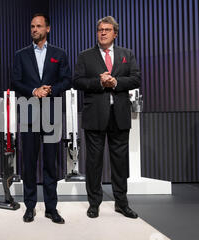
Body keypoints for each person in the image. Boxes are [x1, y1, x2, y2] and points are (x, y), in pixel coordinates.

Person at [73, 16, 141, 219]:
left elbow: (136, 78)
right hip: (95, 115)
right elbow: (77, 81)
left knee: (120, 162)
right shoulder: (85, 56)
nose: (102, 32)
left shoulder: (126, 54)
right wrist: (100, 83)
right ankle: (94, 204)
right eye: (100, 29)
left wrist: (116, 82)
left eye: (107, 29)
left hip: (119, 115)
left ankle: (122, 203)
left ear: (115, 33)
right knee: (94, 163)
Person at [11, 13, 72, 224]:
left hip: (52, 113)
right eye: (32, 26)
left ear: (48, 29)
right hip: (28, 113)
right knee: (28, 162)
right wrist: (34, 90)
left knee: (50, 163)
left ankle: (51, 208)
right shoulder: (21, 54)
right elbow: (16, 81)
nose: (34, 29)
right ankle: (29, 207)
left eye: (38, 26)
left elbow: (67, 80)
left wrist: (50, 90)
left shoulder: (60, 54)